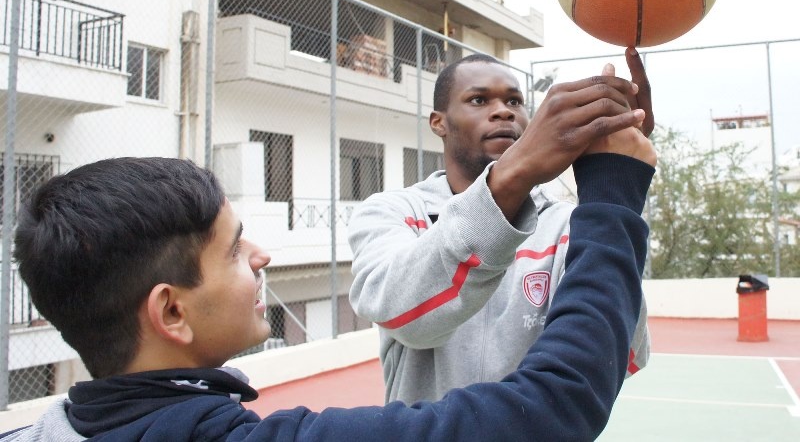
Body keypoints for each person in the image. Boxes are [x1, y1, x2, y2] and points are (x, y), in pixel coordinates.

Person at [7, 137, 653, 440]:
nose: (259, 257)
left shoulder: (47, 430)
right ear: (171, 311)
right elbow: (549, 412)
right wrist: (614, 196)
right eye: (233, 250)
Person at [348, 48, 654, 403]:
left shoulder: (566, 224)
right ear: (439, 122)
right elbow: (405, 318)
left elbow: (620, 353)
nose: (503, 110)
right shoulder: (393, 211)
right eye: (478, 99)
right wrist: (513, 176)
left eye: (515, 101)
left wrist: (614, 184)